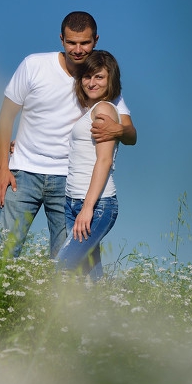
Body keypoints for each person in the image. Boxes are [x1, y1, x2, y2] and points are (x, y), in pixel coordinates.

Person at [0, 11, 136, 259]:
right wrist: (3, 169)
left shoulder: (98, 80)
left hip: (69, 183)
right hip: (24, 173)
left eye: (85, 42)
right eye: (72, 42)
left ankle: (67, 299)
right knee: (4, 251)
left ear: (96, 40)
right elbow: (6, 117)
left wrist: (119, 129)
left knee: (66, 259)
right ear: (61, 39)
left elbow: (130, 132)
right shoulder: (34, 65)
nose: (78, 49)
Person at [55, 50, 121, 279]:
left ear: (110, 79)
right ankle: (103, 313)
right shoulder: (90, 111)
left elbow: (104, 160)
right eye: (87, 77)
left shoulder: (103, 110)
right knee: (92, 276)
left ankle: (49, 314)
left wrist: (88, 208)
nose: (91, 83)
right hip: (74, 201)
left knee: (62, 269)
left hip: (96, 204)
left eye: (99, 77)